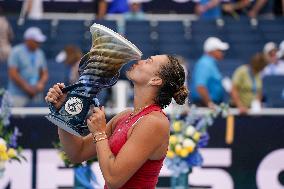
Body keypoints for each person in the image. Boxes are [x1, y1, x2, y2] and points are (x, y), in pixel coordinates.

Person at [45, 55, 188, 188]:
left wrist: (100, 133)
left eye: (148, 61)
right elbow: (77, 152)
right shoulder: (125, 116)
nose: (139, 61)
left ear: (155, 80)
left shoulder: (154, 122)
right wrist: (64, 112)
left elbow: (114, 180)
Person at [8, 27, 48, 107]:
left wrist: (40, 84)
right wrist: (27, 87)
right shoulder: (16, 51)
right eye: (36, 41)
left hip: (36, 95)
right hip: (17, 95)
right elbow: (13, 73)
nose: (39, 43)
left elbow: (44, 73)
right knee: (16, 118)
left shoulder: (40, 53)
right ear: (28, 40)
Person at [190, 37, 229, 108]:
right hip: (204, 106)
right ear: (212, 51)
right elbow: (200, 86)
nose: (222, 53)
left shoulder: (210, 63)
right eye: (219, 50)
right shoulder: (205, 64)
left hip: (208, 105)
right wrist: (209, 103)